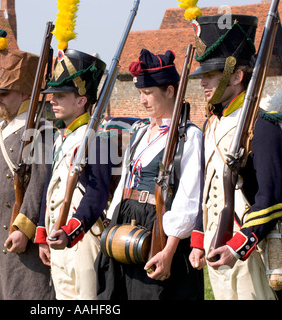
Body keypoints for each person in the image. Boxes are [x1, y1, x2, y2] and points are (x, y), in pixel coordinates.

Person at [186, 13, 282, 300]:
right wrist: (198, 239)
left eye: (210, 75)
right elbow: (208, 193)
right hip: (217, 248)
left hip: (249, 251)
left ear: (237, 76)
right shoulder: (212, 125)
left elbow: (271, 198)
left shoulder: (262, 125)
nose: (203, 83)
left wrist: (237, 246)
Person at [95, 49, 204, 300]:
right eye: (141, 93)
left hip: (160, 225)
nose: (142, 100)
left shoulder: (189, 136)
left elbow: (189, 197)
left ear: (169, 91)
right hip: (127, 219)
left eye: (148, 93)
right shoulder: (140, 130)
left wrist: (168, 250)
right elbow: (125, 180)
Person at [0, 30, 55, 300]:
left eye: (4, 93)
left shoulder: (41, 130)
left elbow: (39, 181)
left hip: (19, 233)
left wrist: (23, 227)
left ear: (22, 94)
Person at [34, 49, 113, 299]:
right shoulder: (61, 139)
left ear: (81, 100)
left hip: (83, 238)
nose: (52, 101)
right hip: (58, 239)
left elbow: (97, 194)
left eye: (60, 95)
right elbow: (51, 188)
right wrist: (42, 232)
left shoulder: (97, 139)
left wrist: (72, 230)